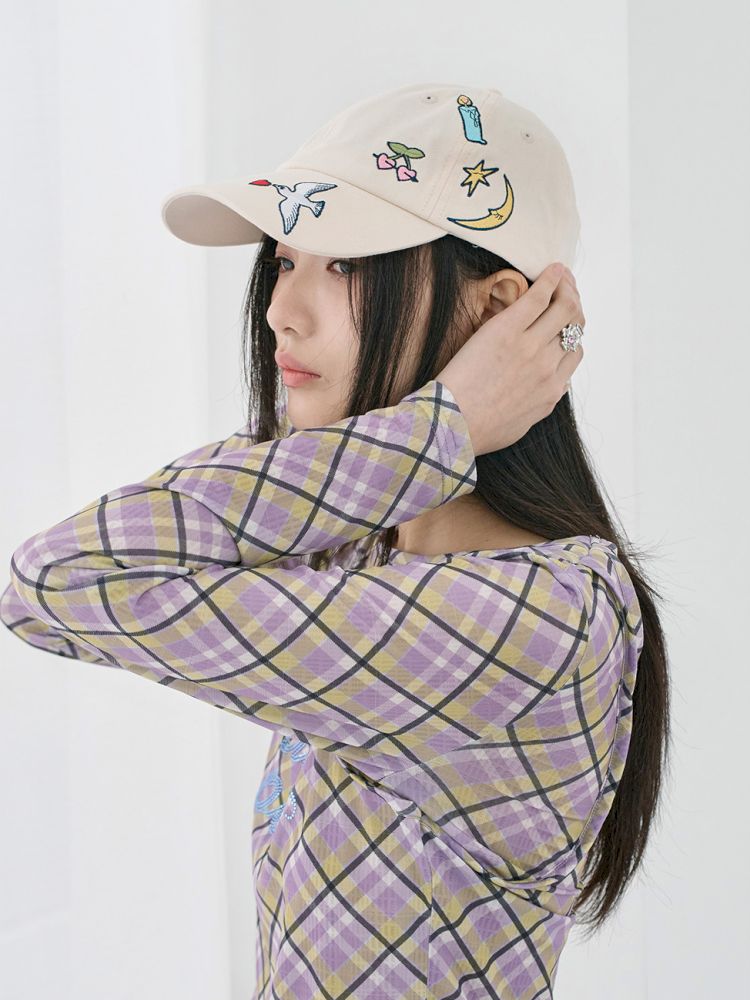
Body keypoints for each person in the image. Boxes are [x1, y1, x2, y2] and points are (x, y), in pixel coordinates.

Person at [0, 82, 670, 999]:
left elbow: (61, 580)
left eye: (347, 267)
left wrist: (442, 431)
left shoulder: (542, 615)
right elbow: (54, 585)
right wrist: (435, 436)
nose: (282, 311)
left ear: (498, 310)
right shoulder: (356, 551)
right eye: (285, 261)